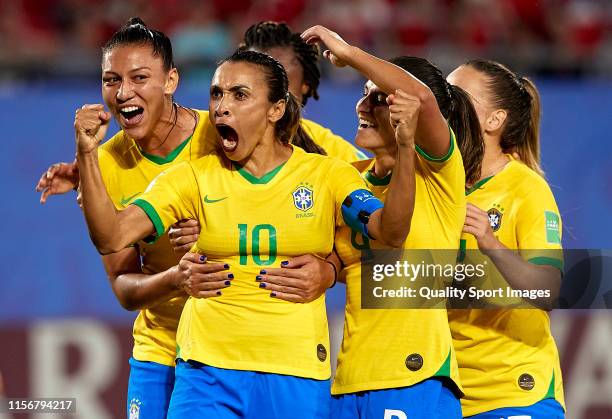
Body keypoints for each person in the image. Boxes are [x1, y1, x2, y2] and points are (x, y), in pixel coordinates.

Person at [74, 49, 417, 418]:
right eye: (216, 93)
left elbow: (390, 232)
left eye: (239, 95)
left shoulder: (327, 175)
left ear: (276, 109)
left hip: (295, 369)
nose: (221, 107)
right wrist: (87, 153)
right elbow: (112, 236)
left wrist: (406, 146)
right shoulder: (190, 177)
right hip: (205, 370)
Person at [299, 26, 483, 419]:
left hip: (413, 377)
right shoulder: (351, 180)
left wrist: (349, 53)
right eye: (363, 93)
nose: (362, 106)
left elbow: (423, 98)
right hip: (349, 379)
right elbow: (342, 259)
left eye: (378, 98)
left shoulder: (436, 174)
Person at [447, 59, 565, 418]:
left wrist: (491, 242)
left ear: (494, 121)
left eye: (457, 96)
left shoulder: (526, 188)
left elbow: (548, 290)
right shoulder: (440, 186)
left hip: (515, 390)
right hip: (450, 394)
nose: (445, 105)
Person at [240, 21, 366, 160]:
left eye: (279, 80)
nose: (265, 92)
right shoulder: (214, 137)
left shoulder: (335, 154)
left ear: (305, 83)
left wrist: (351, 54)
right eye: (251, 81)